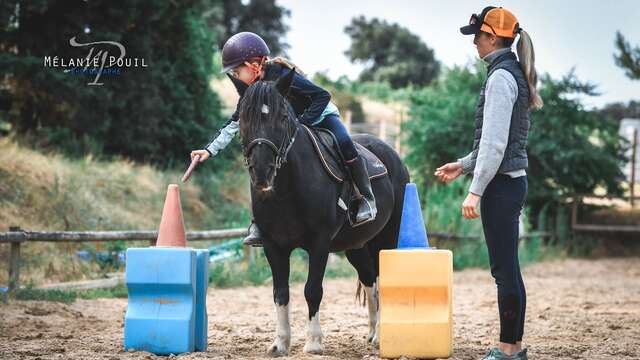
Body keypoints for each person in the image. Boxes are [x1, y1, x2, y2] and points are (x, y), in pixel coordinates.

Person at [190, 32, 377, 247]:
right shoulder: (252, 91)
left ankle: (365, 198)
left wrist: (303, 122)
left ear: (253, 66)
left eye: (236, 70)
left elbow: (322, 95)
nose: (235, 76)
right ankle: (259, 221)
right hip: (292, 126)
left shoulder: (281, 74)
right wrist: (209, 151)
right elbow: (234, 122)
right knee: (262, 159)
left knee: (346, 144)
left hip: (322, 116)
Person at [434, 6, 543, 360]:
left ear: (492, 37)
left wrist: (475, 190)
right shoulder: (509, 73)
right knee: (508, 268)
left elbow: (495, 146)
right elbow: (496, 143)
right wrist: (464, 165)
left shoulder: (500, 78)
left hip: (501, 188)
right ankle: (514, 347)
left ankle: (508, 350)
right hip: (510, 183)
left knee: (504, 271)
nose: (475, 44)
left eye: (478, 37)